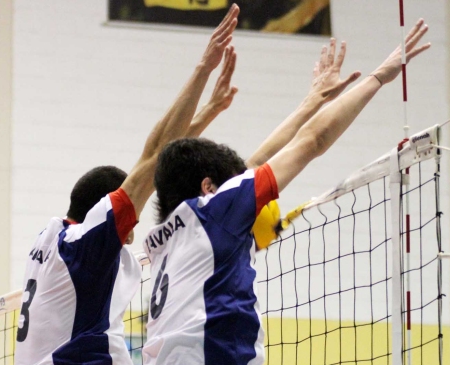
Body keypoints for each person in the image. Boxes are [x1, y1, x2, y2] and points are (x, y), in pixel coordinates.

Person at [142, 19, 431, 365]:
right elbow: (313, 141)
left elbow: (256, 163)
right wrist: (380, 76)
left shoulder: (166, 240)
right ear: (209, 188)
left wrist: (312, 102)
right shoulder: (215, 211)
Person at [13, 5, 240, 365]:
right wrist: (203, 69)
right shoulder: (86, 246)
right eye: (130, 217)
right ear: (102, 208)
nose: (134, 225)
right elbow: (155, 158)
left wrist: (209, 111)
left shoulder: (53, 238)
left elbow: (155, 163)